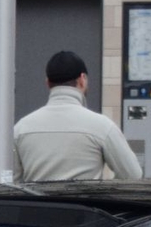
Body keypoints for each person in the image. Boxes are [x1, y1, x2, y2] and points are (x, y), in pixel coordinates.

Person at [13, 49, 142, 183]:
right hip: (85, 203)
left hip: (37, 204)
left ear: (48, 83)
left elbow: (10, 181)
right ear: (82, 80)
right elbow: (133, 174)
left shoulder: (21, 128)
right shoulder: (102, 126)